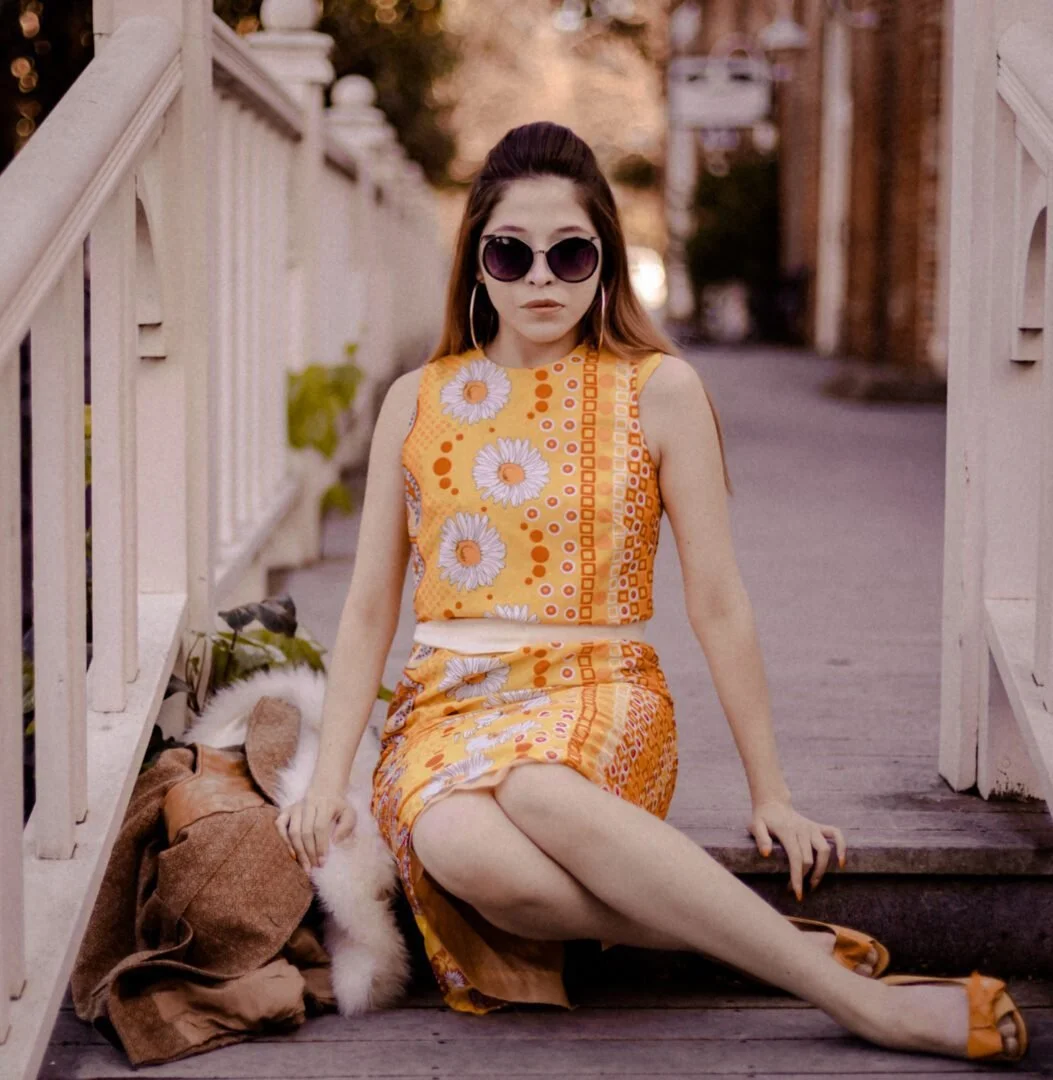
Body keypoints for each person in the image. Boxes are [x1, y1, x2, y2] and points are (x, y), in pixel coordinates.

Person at [275, 121, 1027, 1063]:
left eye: (570, 252)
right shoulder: (416, 401)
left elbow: (716, 598)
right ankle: (791, 948)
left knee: (539, 789)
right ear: (475, 263)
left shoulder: (657, 390)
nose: (541, 277)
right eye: (511, 253)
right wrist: (339, 773)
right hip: (444, 705)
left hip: (597, 690)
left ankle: (856, 1002)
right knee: (462, 851)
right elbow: (368, 611)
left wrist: (773, 791)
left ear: (605, 262)